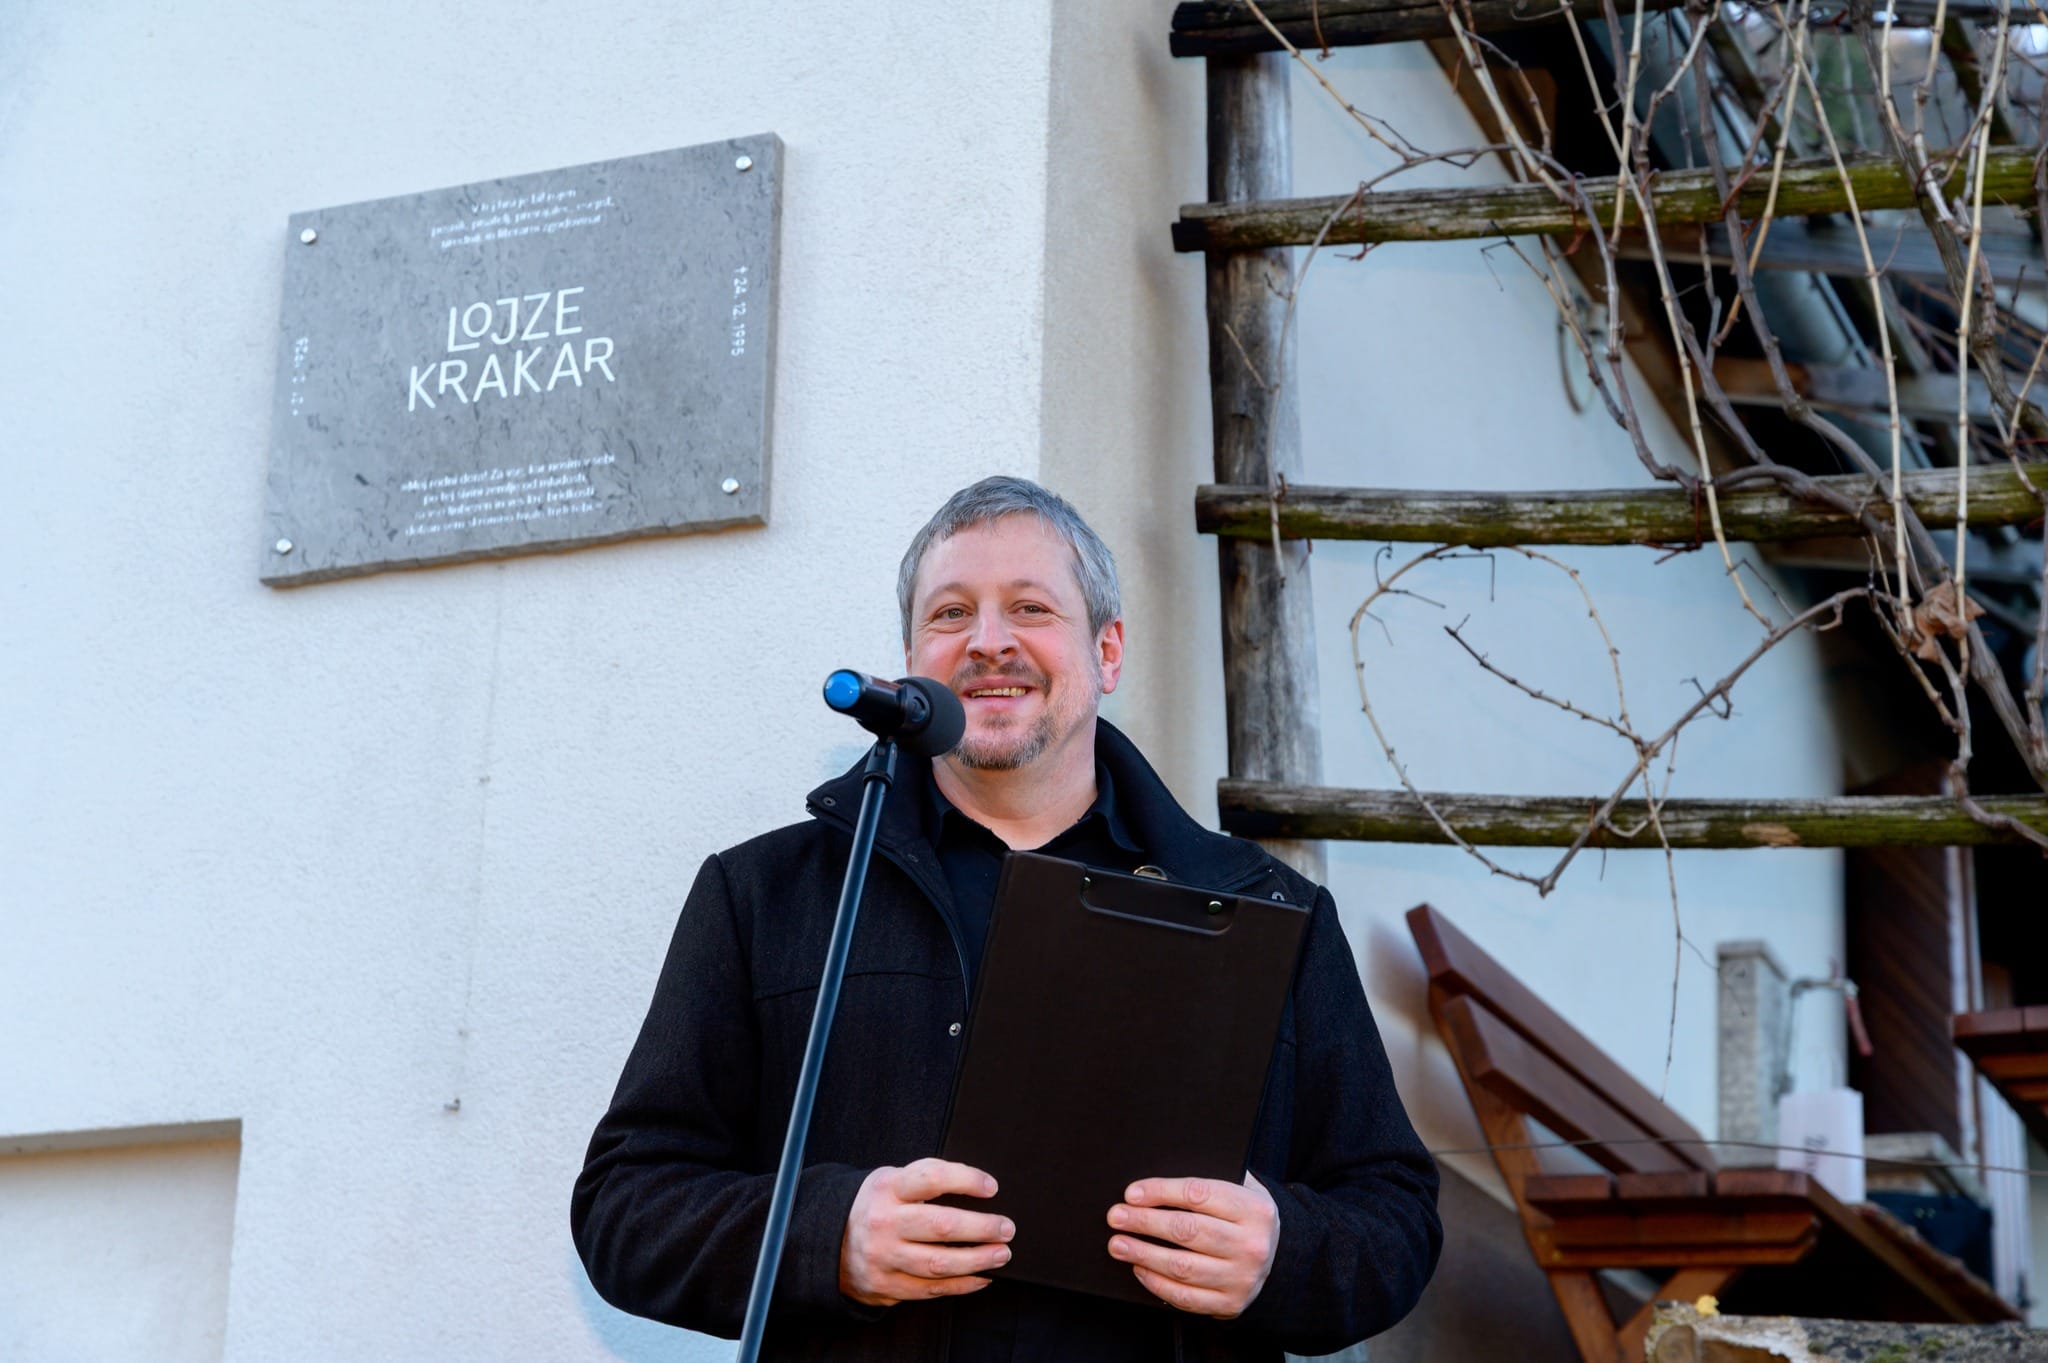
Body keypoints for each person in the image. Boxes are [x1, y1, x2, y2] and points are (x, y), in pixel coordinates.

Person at [572, 477, 1441, 1362]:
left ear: (1107, 651)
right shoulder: (761, 894)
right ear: (912, 658)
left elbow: (1397, 1216)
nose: (989, 641)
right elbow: (623, 1204)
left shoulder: (1269, 906)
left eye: (1031, 607)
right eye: (951, 613)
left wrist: (1281, 1253)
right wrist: (826, 1235)